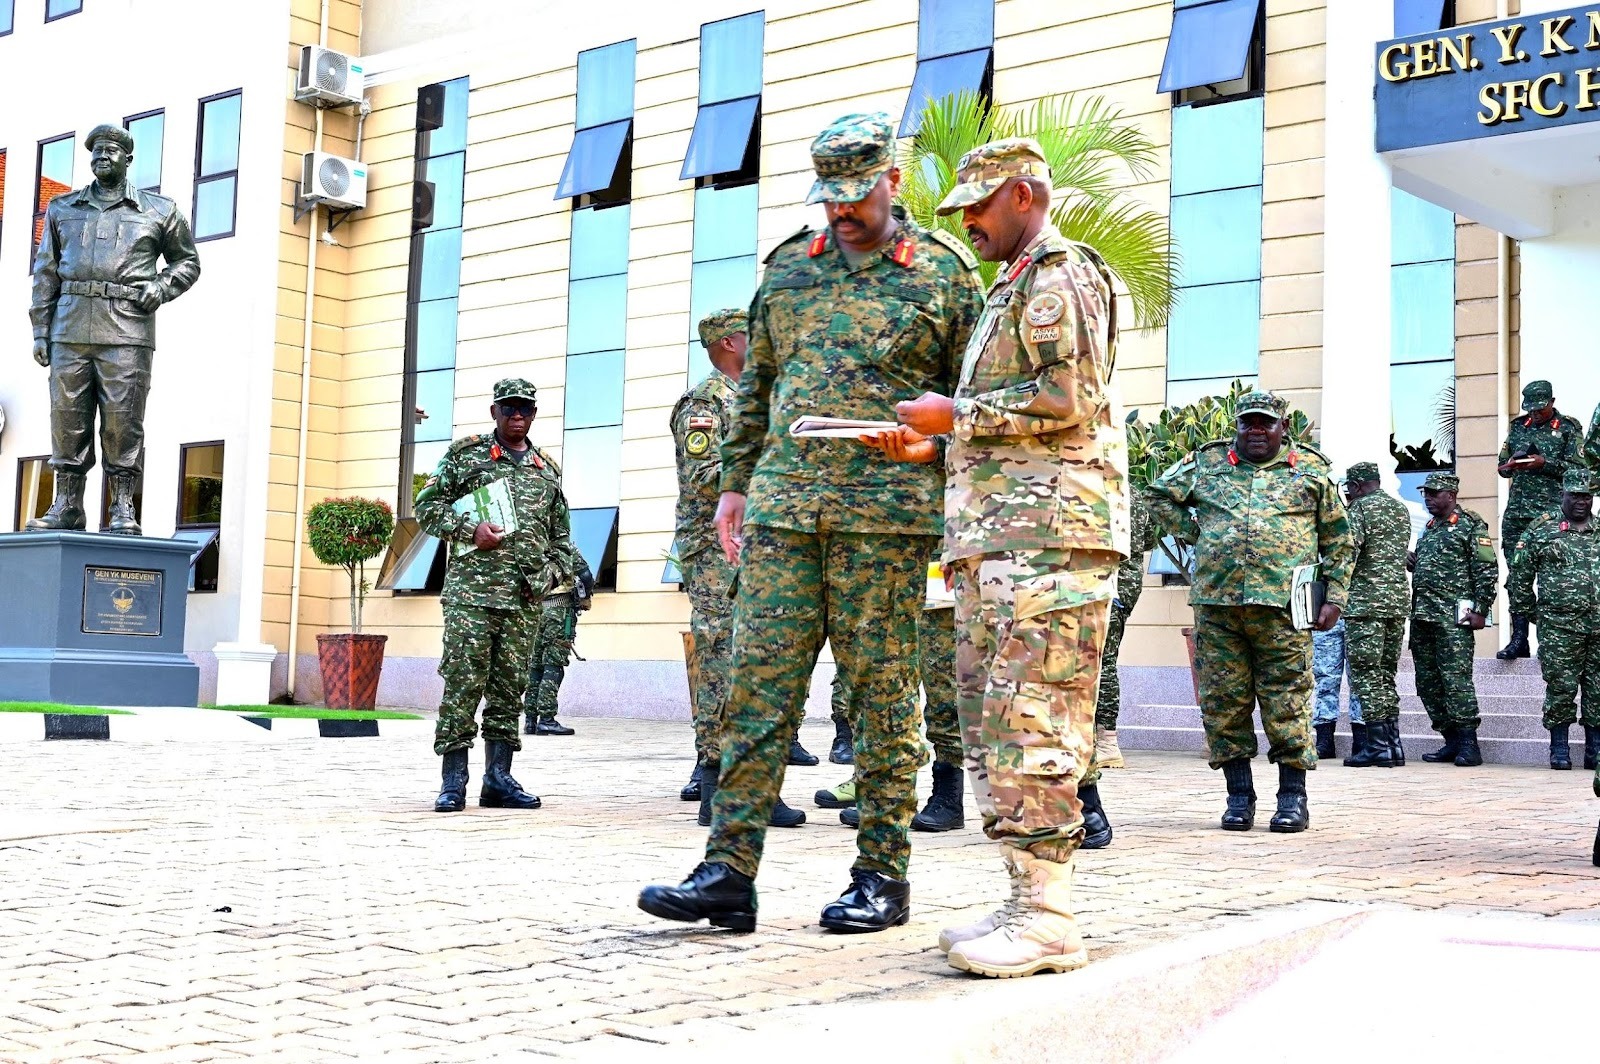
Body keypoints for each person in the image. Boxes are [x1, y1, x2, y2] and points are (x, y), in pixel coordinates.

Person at [638, 112, 982, 934]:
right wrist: (732, 489)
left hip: (886, 521)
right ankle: (728, 870)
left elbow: (974, 408)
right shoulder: (789, 271)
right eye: (831, 198)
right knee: (758, 691)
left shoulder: (943, 276)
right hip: (786, 512)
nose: (843, 212)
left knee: (880, 699)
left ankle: (882, 875)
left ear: (891, 183)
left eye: (858, 196)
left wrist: (932, 450)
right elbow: (755, 388)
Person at [886, 138, 1128, 977]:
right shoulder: (1016, 285)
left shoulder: (1060, 275)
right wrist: (934, 446)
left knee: (1036, 721)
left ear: (1023, 196)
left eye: (979, 207)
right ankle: (1027, 894)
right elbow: (1012, 419)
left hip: (1051, 545)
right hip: (1004, 542)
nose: (968, 223)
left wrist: (954, 417)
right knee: (998, 722)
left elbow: (1069, 399)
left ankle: (1050, 918)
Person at [1146, 391, 1351, 834]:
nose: (1256, 431)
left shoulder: (1311, 471)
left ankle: (1292, 799)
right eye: (1248, 424)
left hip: (1285, 607)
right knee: (1224, 703)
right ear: (1237, 427)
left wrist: (1335, 597)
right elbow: (1159, 494)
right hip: (1218, 606)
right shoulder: (1209, 463)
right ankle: (1239, 798)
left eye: (1266, 424)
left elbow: (1338, 539)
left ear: (1283, 429)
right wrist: (1194, 532)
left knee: (1288, 700)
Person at [415, 378, 580, 812]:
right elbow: (427, 507)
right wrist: (470, 530)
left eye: (526, 408)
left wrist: (550, 576)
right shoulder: (466, 455)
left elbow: (562, 537)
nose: (518, 415)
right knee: (463, 685)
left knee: (510, 690)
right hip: (471, 596)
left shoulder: (547, 469)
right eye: (509, 408)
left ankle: (499, 779)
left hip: (523, 600)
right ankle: (454, 782)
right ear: (494, 412)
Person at [28, 124, 201, 534]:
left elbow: (187, 262)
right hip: (69, 328)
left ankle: (123, 506)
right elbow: (45, 272)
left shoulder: (159, 210)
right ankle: (67, 504)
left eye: (110, 150)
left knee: (124, 421)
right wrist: (40, 328)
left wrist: (160, 287)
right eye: (95, 151)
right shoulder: (62, 209)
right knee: (67, 418)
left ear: (128, 159)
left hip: (127, 331)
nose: (101, 157)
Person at [672, 309, 807, 828]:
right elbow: (704, 475)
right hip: (715, 549)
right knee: (720, 656)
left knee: (756, 660)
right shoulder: (705, 403)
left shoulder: (755, 401)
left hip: (759, 546)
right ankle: (714, 780)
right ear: (730, 342)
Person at [825, 575, 965, 833]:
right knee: (886, 693)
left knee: (945, 695)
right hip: (895, 583)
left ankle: (949, 797)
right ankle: (885, 795)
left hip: (942, 590)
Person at [1509, 468, 1600, 772]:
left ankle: (1594, 750)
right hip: (1559, 628)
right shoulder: (1542, 529)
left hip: (1598, 626)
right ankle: (1559, 748)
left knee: (1598, 688)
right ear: (1562, 494)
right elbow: (1519, 579)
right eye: (1575, 495)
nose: (1580, 502)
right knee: (1561, 687)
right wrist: (1538, 616)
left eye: (1586, 496)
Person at [1408, 472, 1497, 768]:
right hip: (1423, 616)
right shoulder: (1430, 527)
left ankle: (1469, 744)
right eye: (1426, 493)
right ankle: (1451, 740)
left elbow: (1486, 569)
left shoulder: (1471, 524)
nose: (1428, 498)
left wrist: (1482, 610)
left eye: (1434, 493)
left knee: (1456, 681)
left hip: (1452, 618)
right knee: (1427, 682)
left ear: (1452, 494)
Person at [1495, 381, 1583, 660]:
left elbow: (1579, 472)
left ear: (1552, 401)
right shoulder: (1518, 426)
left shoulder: (1568, 428)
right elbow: (1503, 466)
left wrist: (1544, 463)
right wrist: (1511, 465)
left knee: (1551, 577)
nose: (1535, 414)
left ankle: (1553, 640)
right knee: (1518, 576)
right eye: (1530, 409)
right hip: (1517, 514)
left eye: (1540, 409)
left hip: (1550, 514)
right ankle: (1519, 638)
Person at [1339, 462, 1413, 768]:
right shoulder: (1401, 509)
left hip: (1366, 604)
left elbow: (1348, 554)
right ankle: (1393, 745)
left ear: (1356, 486)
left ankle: (1376, 747)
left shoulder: (1359, 510)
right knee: (1385, 674)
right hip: (1396, 602)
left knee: (1366, 675)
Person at [1091, 494, 1159, 773]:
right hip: (1122, 586)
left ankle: (1107, 741)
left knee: (1102, 661)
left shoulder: (1095, 493)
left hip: (1107, 585)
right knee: (1101, 659)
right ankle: (1098, 739)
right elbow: (1148, 542)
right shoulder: (1137, 496)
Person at [522, 558, 593, 737]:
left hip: (539, 611)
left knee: (536, 666)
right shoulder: (563, 547)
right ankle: (546, 720)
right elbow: (586, 575)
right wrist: (585, 596)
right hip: (561, 612)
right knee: (553, 666)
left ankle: (530, 720)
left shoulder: (537, 545)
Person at [1311, 620, 1363, 760]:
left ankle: (1361, 741)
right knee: (1325, 680)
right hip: (1327, 615)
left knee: (1360, 680)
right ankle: (1325, 741)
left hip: (1359, 613)